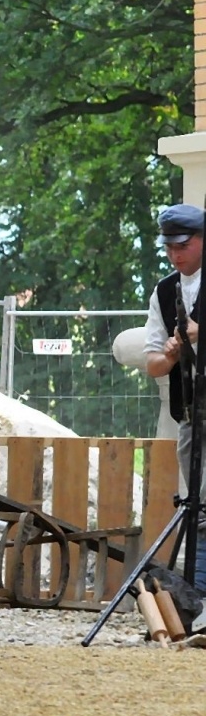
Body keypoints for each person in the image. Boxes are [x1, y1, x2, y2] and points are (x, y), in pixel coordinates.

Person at [141, 203, 206, 585]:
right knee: (198, 506)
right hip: (192, 414)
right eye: (169, 248)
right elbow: (152, 364)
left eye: (182, 246)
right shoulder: (165, 291)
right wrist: (169, 354)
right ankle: (199, 596)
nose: (174, 254)